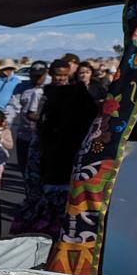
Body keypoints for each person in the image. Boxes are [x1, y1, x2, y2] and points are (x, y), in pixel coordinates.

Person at [11, 59, 97, 237]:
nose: (61, 78)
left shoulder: (70, 97)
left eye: (65, 75)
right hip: (49, 155)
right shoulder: (46, 94)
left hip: (54, 174)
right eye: (58, 75)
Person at [5, 61, 48, 171]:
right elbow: (13, 106)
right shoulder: (22, 87)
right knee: (23, 166)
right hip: (24, 133)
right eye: (34, 76)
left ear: (46, 74)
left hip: (42, 136)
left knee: (39, 168)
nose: (37, 79)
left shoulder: (50, 89)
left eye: (40, 76)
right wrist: (6, 122)